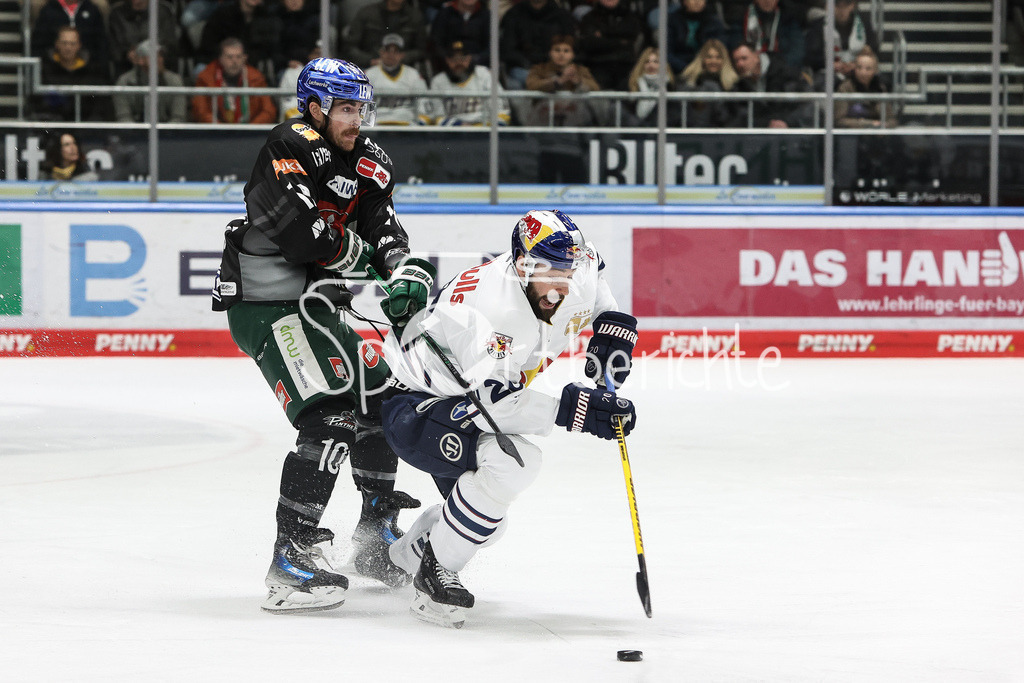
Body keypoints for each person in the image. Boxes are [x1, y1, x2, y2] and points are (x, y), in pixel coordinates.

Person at [211, 57, 437, 613]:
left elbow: (384, 227)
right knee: (329, 416)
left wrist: (405, 267)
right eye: (345, 107)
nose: (357, 117)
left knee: (385, 401)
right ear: (314, 107)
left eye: (361, 106)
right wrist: (373, 263)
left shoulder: (371, 161)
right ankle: (290, 560)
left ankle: (374, 537)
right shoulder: (288, 143)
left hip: (317, 307)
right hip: (266, 306)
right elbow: (305, 237)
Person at [378, 210, 639, 628]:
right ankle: (433, 577)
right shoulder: (491, 309)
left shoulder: (576, 268)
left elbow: (597, 289)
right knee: (515, 463)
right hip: (414, 405)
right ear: (521, 264)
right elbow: (493, 404)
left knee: (484, 524)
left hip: (461, 402)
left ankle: (399, 558)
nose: (561, 281)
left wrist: (611, 332)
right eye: (549, 270)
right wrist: (578, 410)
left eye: (567, 269)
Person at [34, 25, 112, 122]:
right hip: (54, 129)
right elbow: (39, 107)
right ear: (57, 44)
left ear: (79, 45)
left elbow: (100, 107)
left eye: (72, 43)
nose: (68, 48)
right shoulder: (44, 70)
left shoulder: (92, 71)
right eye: (64, 43)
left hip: (87, 128)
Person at [191, 38, 278, 123]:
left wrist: (249, 129)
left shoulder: (256, 78)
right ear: (220, 58)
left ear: (245, 58)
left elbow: (268, 111)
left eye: (238, 57)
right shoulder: (206, 77)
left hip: (250, 133)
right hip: (216, 134)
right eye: (230, 57)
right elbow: (201, 111)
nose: (234, 61)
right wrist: (221, 130)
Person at [426, 40, 511, 125]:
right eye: (453, 59)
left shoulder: (484, 75)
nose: (458, 63)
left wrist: (481, 128)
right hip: (452, 133)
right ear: (447, 60)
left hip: (485, 131)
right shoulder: (438, 81)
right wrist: (460, 126)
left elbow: (502, 113)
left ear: (470, 58)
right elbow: (437, 118)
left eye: (463, 58)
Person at [730, 40, 811, 128]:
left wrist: (787, 122)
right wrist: (767, 124)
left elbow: (805, 105)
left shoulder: (787, 74)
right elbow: (741, 117)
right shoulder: (740, 87)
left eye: (744, 58)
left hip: (793, 132)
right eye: (736, 61)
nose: (740, 64)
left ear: (756, 56)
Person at [499, 0, 577, 91]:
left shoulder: (562, 16)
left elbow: (571, 46)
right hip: (523, 68)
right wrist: (526, 64)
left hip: (555, 67)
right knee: (521, 80)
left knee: (569, 80)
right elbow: (507, 49)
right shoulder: (514, 14)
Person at [803, 0, 878, 88]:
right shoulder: (818, 26)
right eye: (837, 5)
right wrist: (830, 64)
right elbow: (810, 56)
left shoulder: (864, 24)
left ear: (853, 5)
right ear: (829, 6)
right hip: (828, 74)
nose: (842, 9)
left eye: (846, 5)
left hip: (858, 73)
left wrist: (856, 64)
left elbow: (873, 50)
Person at [198, 0, 282, 76]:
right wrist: (225, 57)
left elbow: (269, 46)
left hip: (252, 63)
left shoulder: (268, 17)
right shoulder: (222, 14)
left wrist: (245, 57)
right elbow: (207, 44)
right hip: (218, 60)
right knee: (200, 70)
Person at [576, 0, 645, 91]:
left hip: (625, 64)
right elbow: (590, 43)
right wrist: (620, 41)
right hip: (597, 64)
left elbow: (631, 37)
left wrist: (603, 35)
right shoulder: (589, 18)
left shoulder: (630, 17)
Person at [113, 40, 187, 123]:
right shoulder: (124, 82)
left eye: (160, 56)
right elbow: (123, 116)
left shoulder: (174, 81)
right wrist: (137, 133)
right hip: (133, 133)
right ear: (141, 60)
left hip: (168, 133)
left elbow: (178, 117)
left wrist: (164, 133)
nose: (160, 60)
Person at [342, 0, 429, 70]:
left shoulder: (415, 17)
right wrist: (371, 60)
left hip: (404, 69)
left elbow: (422, 50)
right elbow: (350, 47)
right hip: (368, 67)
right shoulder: (367, 13)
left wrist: (403, 57)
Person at [365, 34, 431, 125]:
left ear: (402, 55)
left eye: (396, 51)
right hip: (377, 125)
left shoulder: (413, 75)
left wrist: (418, 124)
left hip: (407, 124)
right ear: (381, 52)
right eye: (388, 50)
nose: (391, 55)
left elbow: (423, 107)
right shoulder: (368, 74)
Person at [31, 0, 110, 71]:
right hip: (52, 70)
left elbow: (101, 43)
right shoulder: (48, 10)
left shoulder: (92, 10)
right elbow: (39, 44)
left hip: (88, 70)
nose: (68, 48)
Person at [729, 0, 805, 72]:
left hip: (781, 69)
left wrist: (780, 66)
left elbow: (797, 50)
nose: (767, 1)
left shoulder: (788, 19)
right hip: (749, 69)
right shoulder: (742, 17)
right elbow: (736, 45)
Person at [107, 0, 179, 76]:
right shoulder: (117, 14)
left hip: (160, 65)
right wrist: (127, 53)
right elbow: (113, 46)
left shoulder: (163, 11)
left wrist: (159, 53)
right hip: (127, 67)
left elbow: (170, 42)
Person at [678, 38, 739, 127]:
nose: (713, 61)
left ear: (724, 60)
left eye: (718, 57)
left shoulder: (733, 84)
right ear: (703, 59)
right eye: (709, 57)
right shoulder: (689, 82)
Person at [835, 46, 896, 128]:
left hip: (877, 135)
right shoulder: (845, 88)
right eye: (859, 68)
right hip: (852, 134)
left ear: (875, 71)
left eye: (868, 69)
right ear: (855, 68)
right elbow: (839, 120)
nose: (863, 72)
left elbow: (891, 119)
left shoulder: (880, 88)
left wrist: (884, 126)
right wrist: (869, 124)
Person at [665, 0, 725, 73]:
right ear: (684, 2)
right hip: (678, 67)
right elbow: (667, 52)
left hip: (706, 68)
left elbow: (719, 51)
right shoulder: (672, 20)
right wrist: (686, 69)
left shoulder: (714, 22)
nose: (697, 1)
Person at [430, 0, 490, 71]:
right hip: (448, 67)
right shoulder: (444, 14)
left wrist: (475, 59)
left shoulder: (486, 16)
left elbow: (491, 47)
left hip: (479, 67)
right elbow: (436, 43)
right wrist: (449, 59)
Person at [626, 46, 672, 126]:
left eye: (656, 62)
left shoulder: (670, 86)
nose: (651, 65)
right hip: (635, 129)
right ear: (642, 65)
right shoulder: (632, 85)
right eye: (647, 62)